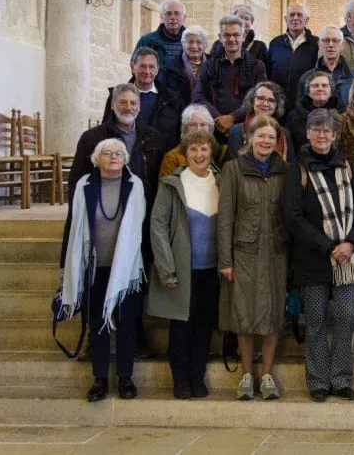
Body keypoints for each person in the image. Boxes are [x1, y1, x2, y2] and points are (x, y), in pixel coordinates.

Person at [284, 109, 354, 402]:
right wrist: (326, 245)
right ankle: (319, 380)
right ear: (307, 133)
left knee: (345, 318)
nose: (322, 135)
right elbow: (293, 217)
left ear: (335, 135)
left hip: (347, 259)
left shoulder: (348, 167)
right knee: (317, 321)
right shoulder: (298, 171)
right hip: (313, 259)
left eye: (327, 131)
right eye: (317, 130)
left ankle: (342, 378)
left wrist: (351, 244)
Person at [59, 138, 146, 402]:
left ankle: (125, 378)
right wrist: (67, 263)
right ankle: (99, 378)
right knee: (97, 323)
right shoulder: (85, 184)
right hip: (94, 266)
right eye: (107, 153)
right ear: (97, 158)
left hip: (127, 268)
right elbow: (74, 226)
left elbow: (137, 226)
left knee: (126, 323)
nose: (113, 157)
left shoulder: (135, 184)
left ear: (126, 157)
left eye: (119, 153)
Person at [218, 115, 289, 400]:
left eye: (271, 137)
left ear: (277, 141)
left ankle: (267, 374)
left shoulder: (285, 171)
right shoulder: (233, 169)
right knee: (244, 314)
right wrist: (225, 260)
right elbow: (225, 218)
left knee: (272, 314)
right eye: (261, 136)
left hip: (276, 252)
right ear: (250, 138)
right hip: (243, 252)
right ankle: (247, 375)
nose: (265, 141)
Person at [147, 131, 220, 399]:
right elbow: (158, 227)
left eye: (203, 149)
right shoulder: (171, 184)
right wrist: (167, 269)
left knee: (203, 325)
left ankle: (196, 376)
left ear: (211, 151)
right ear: (185, 154)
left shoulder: (221, 182)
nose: (199, 155)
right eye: (193, 150)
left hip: (211, 270)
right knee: (181, 326)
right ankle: (180, 379)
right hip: (181, 269)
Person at [62, 84, 165, 271]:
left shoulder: (152, 137)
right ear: (112, 105)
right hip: (103, 216)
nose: (129, 107)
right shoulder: (92, 138)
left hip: (141, 215)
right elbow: (77, 182)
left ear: (139, 106)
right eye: (123, 102)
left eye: (133, 103)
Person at [193, 15, 268, 138]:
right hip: (214, 128)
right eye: (226, 35)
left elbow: (259, 98)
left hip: (246, 129)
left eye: (236, 35)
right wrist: (219, 119)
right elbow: (198, 96)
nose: (231, 39)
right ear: (220, 38)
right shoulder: (208, 65)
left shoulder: (257, 66)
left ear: (243, 37)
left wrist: (232, 118)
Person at [101, 47, 184, 149]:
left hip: (162, 162)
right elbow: (105, 132)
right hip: (127, 159)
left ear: (157, 69)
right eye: (142, 66)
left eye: (152, 67)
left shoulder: (172, 99)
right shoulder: (116, 96)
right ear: (132, 67)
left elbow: (179, 135)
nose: (147, 71)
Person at [226, 82, 295, 162]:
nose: (265, 104)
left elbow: (291, 166)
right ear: (252, 101)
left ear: (277, 106)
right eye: (260, 98)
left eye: (271, 100)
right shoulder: (237, 131)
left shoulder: (284, 133)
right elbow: (235, 166)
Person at [266, 3, 319, 107]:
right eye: (292, 15)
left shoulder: (316, 44)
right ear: (286, 19)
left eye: (299, 15)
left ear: (306, 20)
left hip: (305, 103)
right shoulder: (275, 43)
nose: (295, 18)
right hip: (277, 102)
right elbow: (268, 73)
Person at [297, 25, 354, 111]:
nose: (331, 45)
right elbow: (301, 108)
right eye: (326, 40)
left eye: (335, 41)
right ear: (319, 44)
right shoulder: (306, 78)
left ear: (342, 45)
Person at [159, 104, 229, 179]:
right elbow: (165, 188)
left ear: (210, 128)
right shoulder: (172, 158)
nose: (198, 129)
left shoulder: (223, 153)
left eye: (203, 124)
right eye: (193, 125)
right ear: (184, 129)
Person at [286, 71, 341, 151]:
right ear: (308, 92)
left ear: (331, 91)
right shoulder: (294, 116)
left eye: (325, 86)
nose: (320, 89)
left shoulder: (341, 113)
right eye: (315, 86)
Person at [158, 25, 210, 106]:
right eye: (190, 42)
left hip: (210, 114)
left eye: (199, 42)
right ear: (183, 44)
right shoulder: (170, 68)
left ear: (205, 45)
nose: (194, 46)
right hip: (180, 115)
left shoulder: (215, 65)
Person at [134, 0, 187, 66]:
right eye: (168, 14)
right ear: (162, 18)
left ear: (184, 18)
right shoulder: (147, 41)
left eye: (177, 13)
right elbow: (135, 66)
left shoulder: (192, 42)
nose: (173, 17)